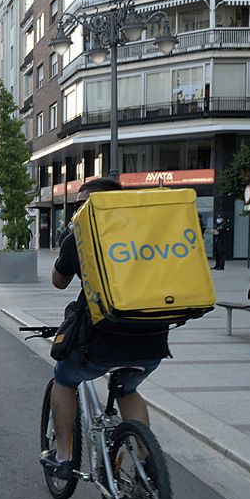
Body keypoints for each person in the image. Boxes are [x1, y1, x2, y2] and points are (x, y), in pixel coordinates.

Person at [40, 178, 167, 480]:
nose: (78, 210)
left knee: (64, 377)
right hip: (152, 339)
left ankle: (64, 457)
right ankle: (147, 469)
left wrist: (69, 245)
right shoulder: (149, 232)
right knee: (128, 387)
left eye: (81, 203)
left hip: (102, 341)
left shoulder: (82, 234)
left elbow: (59, 282)